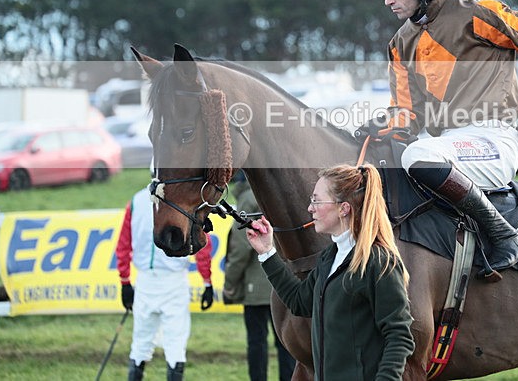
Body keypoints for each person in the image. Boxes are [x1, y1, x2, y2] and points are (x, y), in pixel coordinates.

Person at [362, 0, 518, 279]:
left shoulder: (477, 14)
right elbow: (406, 112)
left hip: (490, 141)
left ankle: (505, 235)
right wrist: (384, 127)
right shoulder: (399, 44)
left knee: (417, 156)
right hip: (445, 146)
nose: (387, 0)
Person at [245, 163, 415, 381]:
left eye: (316, 200)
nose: (310, 208)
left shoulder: (380, 262)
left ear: (343, 208)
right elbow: (299, 301)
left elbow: (399, 336)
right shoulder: (329, 257)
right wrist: (267, 252)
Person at [116, 186, 215, 381]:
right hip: (171, 282)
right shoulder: (185, 199)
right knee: (175, 344)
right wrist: (207, 283)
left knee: (140, 343)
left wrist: (125, 281)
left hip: (147, 281)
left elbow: (123, 245)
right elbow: (202, 245)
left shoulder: (135, 201)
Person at [223, 173, 296, 381]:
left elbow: (240, 250)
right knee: (286, 343)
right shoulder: (275, 192)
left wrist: (230, 284)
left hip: (257, 286)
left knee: (257, 343)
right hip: (283, 284)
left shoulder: (247, 200)